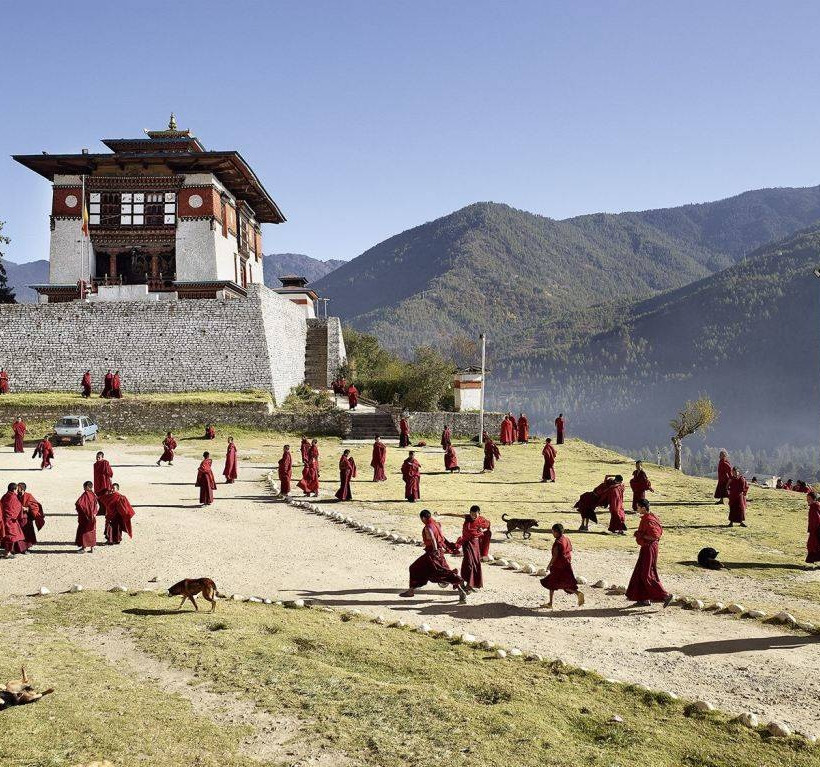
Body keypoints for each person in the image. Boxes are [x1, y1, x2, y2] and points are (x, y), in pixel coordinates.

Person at [400, 510, 467, 603]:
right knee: (444, 571)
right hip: (439, 552)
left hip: (432, 554)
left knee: (414, 567)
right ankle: (460, 589)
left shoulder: (428, 527)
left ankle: (410, 591)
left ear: (423, 518)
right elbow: (441, 537)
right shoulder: (437, 524)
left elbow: (432, 538)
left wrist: (435, 550)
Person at [625, 500, 674, 607]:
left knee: (646, 573)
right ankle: (644, 599)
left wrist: (640, 535)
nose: (637, 509)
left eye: (638, 507)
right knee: (640, 571)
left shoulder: (648, 520)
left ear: (643, 508)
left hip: (649, 547)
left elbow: (655, 536)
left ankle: (665, 595)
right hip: (648, 547)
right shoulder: (652, 517)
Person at [539, 524, 585, 608]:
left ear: (556, 532)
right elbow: (570, 549)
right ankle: (577, 593)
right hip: (566, 565)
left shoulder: (557, 542)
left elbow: (555, 556)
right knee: (565, 583)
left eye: (553, 532)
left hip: (558, 566)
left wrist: (549, 565)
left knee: (551, 584)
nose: (552, 533)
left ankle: (550, 603)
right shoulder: (566, 539)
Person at [457, 505, 491, 590]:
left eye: (475, 514)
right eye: (472, 514)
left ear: (479, 513)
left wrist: (482, 530)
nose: (473, 516)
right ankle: (467, 582)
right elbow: (454, 515)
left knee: (475, 562)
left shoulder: (482, 520)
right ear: (469, 513)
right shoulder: (467, 517)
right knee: (468, 562)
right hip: (466, 543)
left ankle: (471, 584)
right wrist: (441, 514)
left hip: (475, 543)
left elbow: (488, 526)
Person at [17, 482, 44, 552]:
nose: (17, 490)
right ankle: (18, 548)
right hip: (18, 518)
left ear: (22, 489)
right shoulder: (16, 496)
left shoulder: (28, 496)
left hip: (26, 518)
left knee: (26, 533)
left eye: (18, 488)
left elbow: (35, 507)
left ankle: (25, 548)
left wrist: (27, 509)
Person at [1, 483, 24, 558]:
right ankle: (7, 553)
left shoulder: (5, 496)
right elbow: (15, 509)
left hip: (4, 519)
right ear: (14, 490)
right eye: (17, 490)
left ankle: (9, 551)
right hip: (10, 520)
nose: (17, 491)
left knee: (7, 535)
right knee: (11, 536)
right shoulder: (13, 497)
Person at [74, 481, 98, 553]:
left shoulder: (85, 495)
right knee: (91, 531)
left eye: (84, 487)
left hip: (85, 517)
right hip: (93, 516)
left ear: (86, 487)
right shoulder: (93, 495)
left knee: (83, 532)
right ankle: (92, 548)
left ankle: (83, 548)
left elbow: (79, 504)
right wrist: (94, 513)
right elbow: (96, 505)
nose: (83, 488)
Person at [806, 492, 820, 567]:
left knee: (814, 545)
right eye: (807, 499)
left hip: (816, 530)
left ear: (814, 499)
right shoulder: (815, 506)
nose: (808, 500)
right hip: (815, 530)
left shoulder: (814, 507)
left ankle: (812, 559)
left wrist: (813, 529)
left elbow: (817, 519)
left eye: (809, 499)